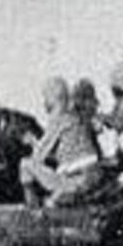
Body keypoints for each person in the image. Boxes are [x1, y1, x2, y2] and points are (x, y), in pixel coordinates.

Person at [19, 77, 107, 207]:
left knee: (25, 165)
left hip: (75, 180)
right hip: (93, 175)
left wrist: (32, 141)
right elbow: (65, 155)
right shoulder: (76, 118)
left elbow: (39, 156)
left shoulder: (59, 120)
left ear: (51, 99)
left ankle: (32, 207)